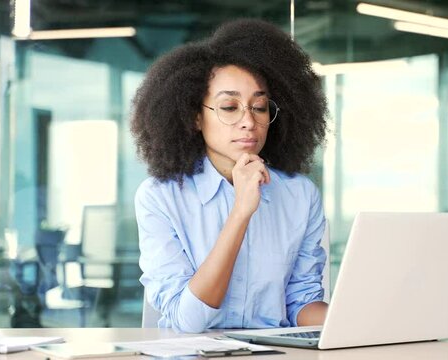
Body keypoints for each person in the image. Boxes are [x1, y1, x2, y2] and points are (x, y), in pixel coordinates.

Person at [130, 19, 328, 333]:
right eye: (229, 107)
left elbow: (299, 303)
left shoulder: (300, 195)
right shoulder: (160, 196)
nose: (248, 121)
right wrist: (241, 211)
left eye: (260, 107)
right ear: (195, 117)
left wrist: (361, 319)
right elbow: (188, 320)